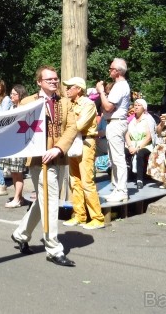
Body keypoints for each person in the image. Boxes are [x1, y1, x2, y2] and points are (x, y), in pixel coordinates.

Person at [11, 66, 77, 266]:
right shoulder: (27, 102)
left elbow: (72, 127)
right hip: (39, 161)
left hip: (58, 158)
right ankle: (54, 248)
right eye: (49, 79)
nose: (54, 82)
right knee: (49, 200)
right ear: (39, 82)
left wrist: (58, 148)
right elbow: (17, 127)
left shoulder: (65, 102)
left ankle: (20, 234)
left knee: (44, 200)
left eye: (56, 79)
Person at [62, 77, 105, 230]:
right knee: (74, 180)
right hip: (73, 142)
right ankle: (79, 215)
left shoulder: (88, 104)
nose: (67, 89)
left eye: (70, 87)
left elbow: (79, 125)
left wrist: (66, 129)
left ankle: (97, 218)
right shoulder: (69, 104)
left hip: (86, 142)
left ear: (78, 89)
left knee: (87, 181)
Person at [95, 58, 131, 203]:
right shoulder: (120, 86)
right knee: (113, 158)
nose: (109, 71)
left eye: (111, 68)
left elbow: (108, 107)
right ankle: (117, 188)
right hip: (114, 123)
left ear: (117, 71)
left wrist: (101, 92)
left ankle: (121, 190)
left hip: (116, 123)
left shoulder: (120, 86)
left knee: (118, 158)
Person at [0, 84, 30, 208]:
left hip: (19, 145)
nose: (11, 96)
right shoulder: (11, 108)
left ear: (20, 95)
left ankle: (17, 199)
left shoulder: (24, 109)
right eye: (11, 93)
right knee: (13, 172)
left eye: (14, 94)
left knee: (18, 173)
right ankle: (19, 197)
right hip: (10, 144)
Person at [125, 98, 155, 189]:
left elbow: (149, 137)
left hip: (145, 144)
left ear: (144, 108)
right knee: (122, 152)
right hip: (131, 143)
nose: (136, 107)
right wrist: (130, 146)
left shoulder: (148, 119)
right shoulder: (131, 119)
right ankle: (124, 176)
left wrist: (137, 147)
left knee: (140, 154)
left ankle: (139, 179)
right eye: (135, 105)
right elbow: (126, 134)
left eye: (139, 105)